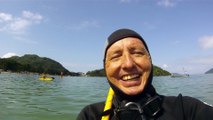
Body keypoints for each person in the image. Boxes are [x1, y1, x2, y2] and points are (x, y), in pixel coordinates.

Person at [77, 28, 213, 120]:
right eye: (116, 56)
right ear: (105, 68)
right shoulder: (91, 115)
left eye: (137, 53)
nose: (128, 64)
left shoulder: (187, 109)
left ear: (150, 60)